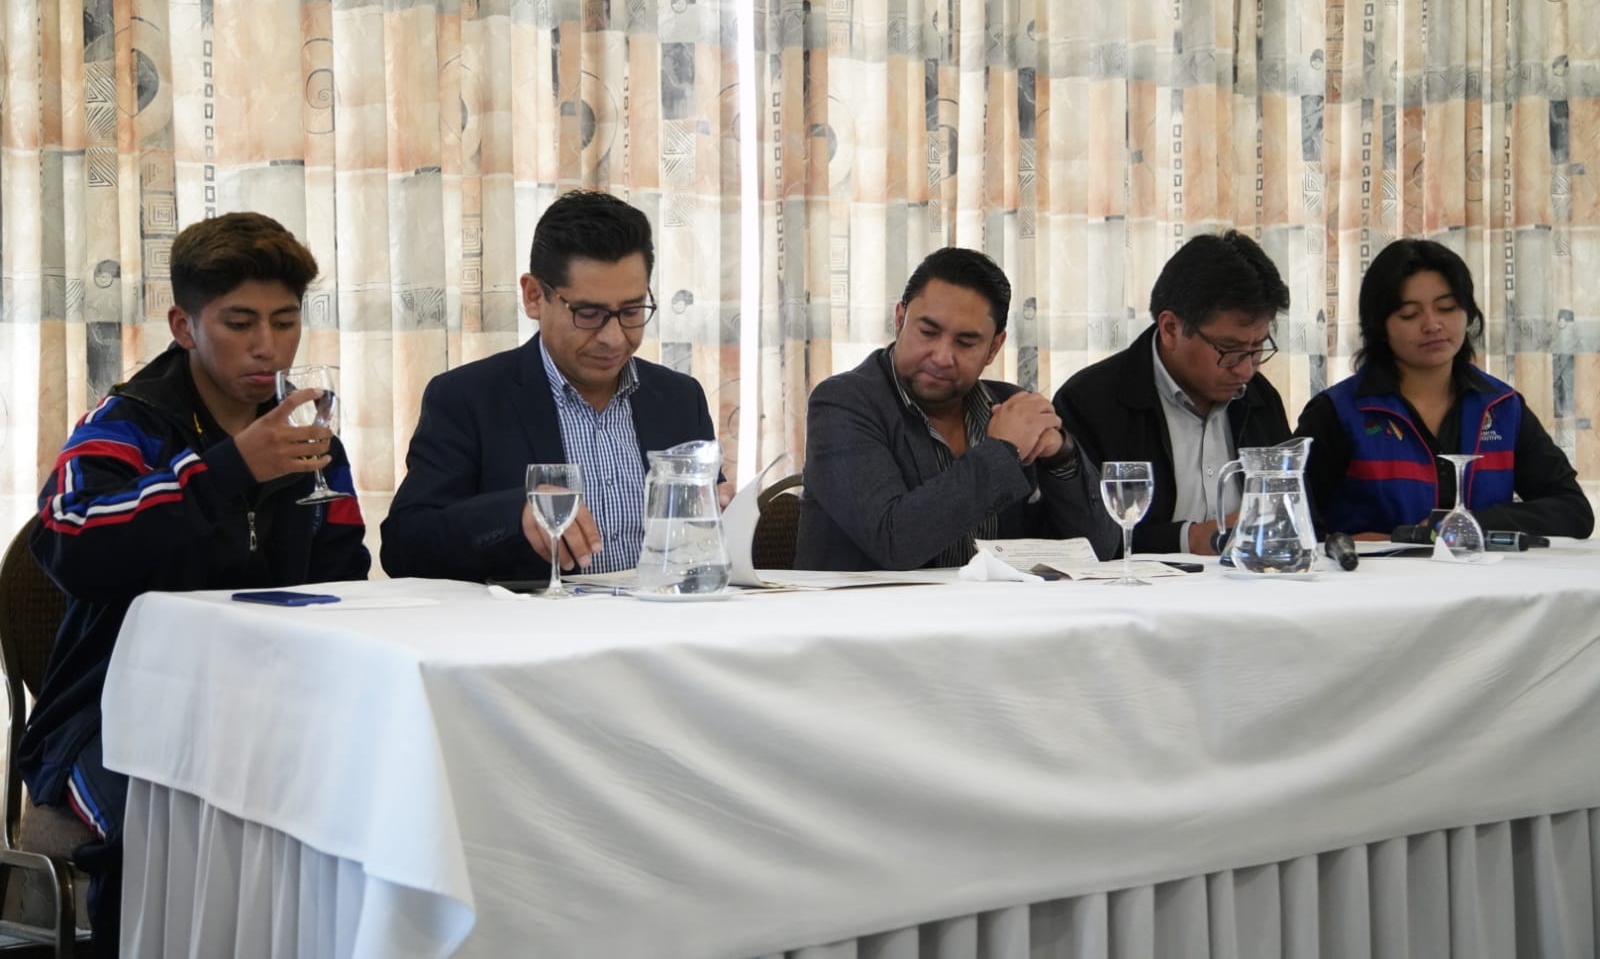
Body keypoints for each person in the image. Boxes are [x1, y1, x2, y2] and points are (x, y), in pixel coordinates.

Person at [24, 211, 371, 949]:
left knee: (369, 802)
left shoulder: (309, 440)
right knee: (168, 827)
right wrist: (225, 471)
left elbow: (346, 575)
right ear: (184, 326)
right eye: (240, 322)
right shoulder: (125, 425)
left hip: (270, 704)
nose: (267, 345)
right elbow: (67, 541)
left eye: (285, 321)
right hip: (109, 714)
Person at [381, 190, 718, 581]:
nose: (613, 338)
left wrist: (724, 512)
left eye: (631, 311)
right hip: (536, 620)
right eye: (588, 313)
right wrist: (514, 517)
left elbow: (703, 531)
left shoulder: (680, 398)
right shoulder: (467, 398)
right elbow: (405, 546)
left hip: (662, 617)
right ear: (534, 296)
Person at [795, 247, 1118, 570]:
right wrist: (1003, 451)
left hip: (997, 602)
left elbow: (1099, 552)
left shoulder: (1009, 407)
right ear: (900, 320)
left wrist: (1061, 458)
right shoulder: (842, 403)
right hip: (873, 604)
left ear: (993, 348)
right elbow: (894, 541)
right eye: (928, 332)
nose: (941, 357)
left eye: (965, 343)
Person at [1295, 237, 1593, 539]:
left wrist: (1466, 525)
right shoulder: (1337, 412)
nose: (1432, 325)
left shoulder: (1501, 406)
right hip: (1370, 571)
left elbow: (1573, 511)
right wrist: (1346, 543)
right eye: (1409, 314)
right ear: (1380, 327)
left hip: (1485, 570)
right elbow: (1292, 519)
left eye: (1447, 308)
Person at [1053, 231, 1292, 555]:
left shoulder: (1259, 398)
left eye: (1258, 347)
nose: (1246, 370)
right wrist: (1188, 539)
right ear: (1170, 328)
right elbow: (1078, 539)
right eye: (1230, 349)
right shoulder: (1090, 402)